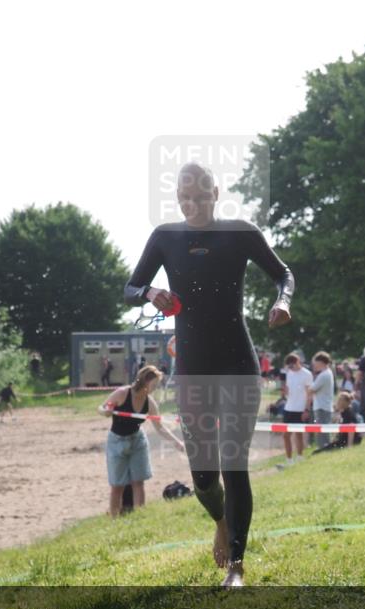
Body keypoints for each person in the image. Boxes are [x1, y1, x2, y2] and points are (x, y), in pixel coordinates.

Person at [124, 162, 294, 587]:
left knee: (234, 464)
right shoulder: (165, 237)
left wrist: (284, 301)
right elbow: (129, 287)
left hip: (238, 362)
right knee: (203, 477)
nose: (192, 205)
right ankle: (220, 520)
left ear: (215, 193)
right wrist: (150, 291)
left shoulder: (241, 234)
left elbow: (283, 274)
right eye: (184, 198)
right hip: (194, 369)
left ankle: (236, 565)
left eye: (200, 197)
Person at [99, 366, 185, 517]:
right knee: (117, 485)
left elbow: (160, 427)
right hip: (116, 442)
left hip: (137, 441)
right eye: (154, 384)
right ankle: (114, 517)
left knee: (138, 482)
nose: (156, 387)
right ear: (145, 381)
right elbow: (101, 408)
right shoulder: (122, 393)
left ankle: (140, 516)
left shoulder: (150, 403)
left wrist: (177, 442)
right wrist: (106, 411)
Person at [281, 353, 313, 464]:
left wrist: (307, 409)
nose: (290, 368)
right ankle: (289, 459)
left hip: (300, 408)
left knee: (298, 434)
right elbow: (288, 391)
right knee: (285, 435)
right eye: (288, 366)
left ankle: (299, 457)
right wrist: (285, 392)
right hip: (289, 407)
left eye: (291, 366)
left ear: (297, 362)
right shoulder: (289, 373)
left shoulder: (307, 374)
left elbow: (309, 394)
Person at [307, 352, 335, 449]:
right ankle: (324, 448)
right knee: (322, 431)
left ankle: (323, 448)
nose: (314, 365)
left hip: (322, 407)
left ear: (321, 362)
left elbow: (311, 389)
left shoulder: (324, 375)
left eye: (315, 363)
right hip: (324, 406)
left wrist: (308, 388)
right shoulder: (328, 373)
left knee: (322, 432)